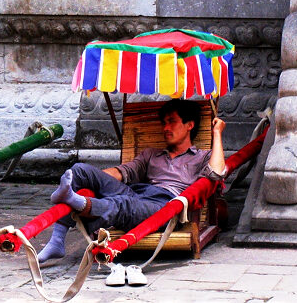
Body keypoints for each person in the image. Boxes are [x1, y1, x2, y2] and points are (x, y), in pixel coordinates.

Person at [37, 99, 226, 263]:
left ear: (189, 125)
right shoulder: (152, 154)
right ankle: (57, 241)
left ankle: (75, 201)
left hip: (165, 206)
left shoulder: (202, 157)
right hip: (138, 193)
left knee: (123, 204)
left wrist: (217, 132)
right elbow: (124, 172)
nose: (165, 128)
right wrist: (94, 180)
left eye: (171, 122)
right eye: (164, 123)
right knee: (80, 170)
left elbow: (217, 174)